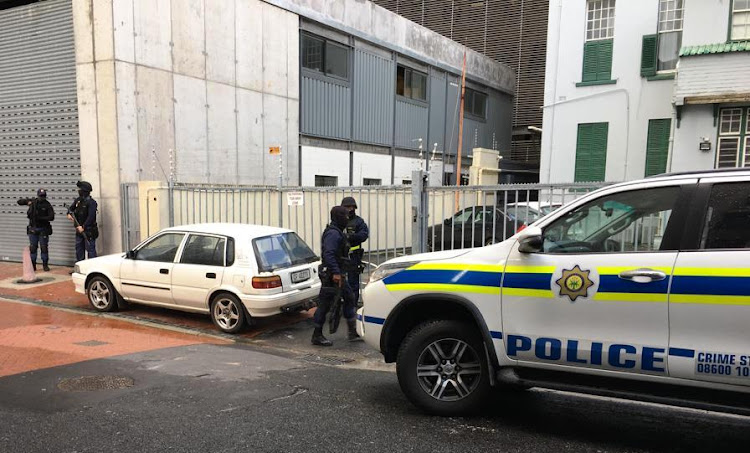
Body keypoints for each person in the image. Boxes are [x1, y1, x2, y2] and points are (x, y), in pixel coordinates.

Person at [312, 206, 361, 347]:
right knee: (324, 304)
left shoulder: (338, 232)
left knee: (349, 298)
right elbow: (329, 254)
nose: (347, 219)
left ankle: (352, 332)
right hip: (332, 276)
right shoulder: (333, 234)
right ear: (338, 217)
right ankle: (316, 335)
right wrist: (335, 272)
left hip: (337, 273)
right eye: (345, 216)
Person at [17, 188, 55, 271]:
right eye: (41, 196)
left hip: (43, 229)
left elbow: (51, 217)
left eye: (43, 196)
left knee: (44, 247)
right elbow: (19, 202)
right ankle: (33, 265)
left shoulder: (47, 205)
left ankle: (45, 265)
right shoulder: (33, 202)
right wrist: (27, 202)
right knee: (33, 248)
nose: (42, 197)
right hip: (33, 229)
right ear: (38, 195)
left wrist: (41, 218)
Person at [341, 196, 369, 305]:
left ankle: (352, 305)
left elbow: (364, 235)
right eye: (347, 207)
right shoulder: (338, 220)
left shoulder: (358, 221)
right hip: (340, 256)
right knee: (339, 282)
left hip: (353, 257)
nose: (350, 209)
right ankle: (341, 304)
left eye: (352, 207)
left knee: (353, 282)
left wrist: (350, 237)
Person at [67, 181, 99, 263]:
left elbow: (91, 216)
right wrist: (69, 214)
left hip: (89, 231)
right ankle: (80, 268)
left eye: (80, 189)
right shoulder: (78, 200)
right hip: (79, 230)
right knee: (79, 250)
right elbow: (71, 209)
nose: (78, 191)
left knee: (91, 251)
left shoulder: (92, 203)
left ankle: (92, 268)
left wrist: (83, 226)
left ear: (84, 191)